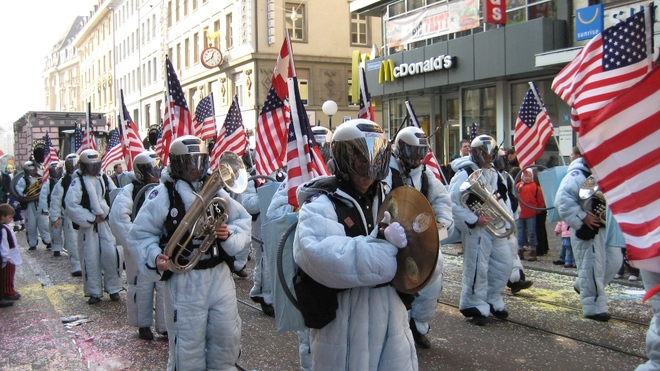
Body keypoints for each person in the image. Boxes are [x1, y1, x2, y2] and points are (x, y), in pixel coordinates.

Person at [293, 119, 418, 370]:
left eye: (375, 159)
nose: (368, 169)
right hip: (345, 324)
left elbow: (422, 251)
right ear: (343, 160)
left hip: (391, 315)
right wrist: (383, 246)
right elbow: (325, 258)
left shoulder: (392, 196)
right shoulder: (320, 203)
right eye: (360, 160)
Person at [128, 135, 251, 370]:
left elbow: (243, 220)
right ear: (176, 164)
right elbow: (140, 235)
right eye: (188, 162)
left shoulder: (216, 192)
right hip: (185, 282)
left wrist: (229, 234)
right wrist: (155, 257)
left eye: (198, 161)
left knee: (226, 339)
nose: (194, 169)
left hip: (219, 277)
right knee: (187, 348)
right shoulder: (163, 195)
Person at [386, 126, 454, 349]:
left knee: (431, 285)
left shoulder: (426, 175)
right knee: (396, 291)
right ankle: (398, 332)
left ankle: (419, 327)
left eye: (420, 152)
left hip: (420, 241)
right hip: (393, 240)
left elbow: (443, 204)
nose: (417, 158)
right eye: (412, 152)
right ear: (401, 149)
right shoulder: (386, 172)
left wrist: (441, 228)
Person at [448, 135, 514, 326]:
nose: (487, 157)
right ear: (476, 153)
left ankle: (492, 297)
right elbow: (453, 202)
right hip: (478, 229)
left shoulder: (495, 173)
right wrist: (474, 219)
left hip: (495, 227)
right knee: (477, 268)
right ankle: (473, 303)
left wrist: (508, 220)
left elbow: (503, 198)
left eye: (489, 153)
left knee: (504, 264)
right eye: (483, 153)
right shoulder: (463, 173)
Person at [555, 146, 621, 322]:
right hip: (587, 229)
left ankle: (583, 286)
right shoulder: (579, 174)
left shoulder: (602, 172)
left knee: (614, 261)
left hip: (606, 227)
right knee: (592, 267)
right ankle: (593, 307)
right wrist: (583, 217)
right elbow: (562, 200)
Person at [109, 151, 166, 340]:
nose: (156, 172)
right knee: (141, 286)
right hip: (139, 249)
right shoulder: (130, 191)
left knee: (164, 285)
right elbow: (118, 219)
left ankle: (164, 326)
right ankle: (143, 325)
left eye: (158, 167)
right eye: (152, 168)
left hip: (160, 247)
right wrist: (137, 244)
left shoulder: (162, 188)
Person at [65, 149, 122, 304]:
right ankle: (93, 292)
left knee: (112, 255)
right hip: (89, 227)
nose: (94, 169)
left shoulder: (103, 178)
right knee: (90, 259)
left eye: (96, 165)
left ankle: (114, 288)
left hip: (105, 223)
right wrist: (90, 218)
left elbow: (116, 196)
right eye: (91, 166)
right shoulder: (78, 181)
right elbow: (71, 205)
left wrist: (111, 215)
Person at [238, 150, 275, 317]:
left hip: (277, 221)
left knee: (276, 260)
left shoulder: (282, 172)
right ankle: (265, 296)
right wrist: (271, 194)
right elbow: (247, 204)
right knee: (265, 259)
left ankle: (270, 293)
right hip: (261, 224)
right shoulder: (250, 177)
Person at [49, 154, 82, 276]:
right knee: (73, 241)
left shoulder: (88, 179)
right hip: (70, 215)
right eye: (71, 165)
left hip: (87, 215)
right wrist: (55, 217)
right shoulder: (63, 181)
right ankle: (76, 265)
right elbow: (56, 200)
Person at [16, 161, 51, 250]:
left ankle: (48, 241)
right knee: (30, 224)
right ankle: (32, 243)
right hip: (29, 205)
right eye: (30, 171)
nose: (32, 172)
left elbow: (46, 189)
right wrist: (26, 194)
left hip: (40, 203)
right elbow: (19, 190)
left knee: (44, 223)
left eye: (33, 170)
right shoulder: (23, 180)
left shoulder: (41, 179)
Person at [515, 168, 545, 261]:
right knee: (520, 233)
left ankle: (533, 250)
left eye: (529, 176)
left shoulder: (535, 187)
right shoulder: (518, 186)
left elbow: (540, 200)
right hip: (520, 213)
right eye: (525, 176)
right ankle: (520, 249)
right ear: (522, 177)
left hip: (531, 213)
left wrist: (537, 210)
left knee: (532, 232)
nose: (527, 178)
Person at [39, 160, 64, 257]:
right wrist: (45, 209)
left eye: (56, 170)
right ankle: (56, 248)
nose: (55, 172)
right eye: (53, 171)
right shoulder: (48, 183)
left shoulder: (64, 181)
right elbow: (43, 197)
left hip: (65, 209)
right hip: (54, 208)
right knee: (55, 230)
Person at [0, 203, 22, 301]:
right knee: (7, 276)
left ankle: (10, 289)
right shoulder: (3, 229)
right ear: (3, 217)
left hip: (10, 255)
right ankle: (7, 292)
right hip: (7, 257)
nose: (11, 219)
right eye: (10, 217)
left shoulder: (6, 227)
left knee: (10, 275)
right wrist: (6, 257)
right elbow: (4, 244)